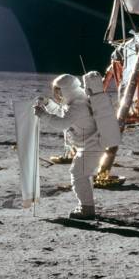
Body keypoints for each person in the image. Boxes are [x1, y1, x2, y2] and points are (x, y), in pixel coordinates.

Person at [33, 74, 102, 220]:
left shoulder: (78, 105)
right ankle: (87, 206)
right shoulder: (77, 100)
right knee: (82, 174)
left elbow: (62, 123)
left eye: (59, 91)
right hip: (91, 144)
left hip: (92, 145)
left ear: (67, 90)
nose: (58, 95)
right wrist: (48, 104)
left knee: (78, 174)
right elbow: (62, 113)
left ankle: (87, 209)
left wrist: (43, 115)